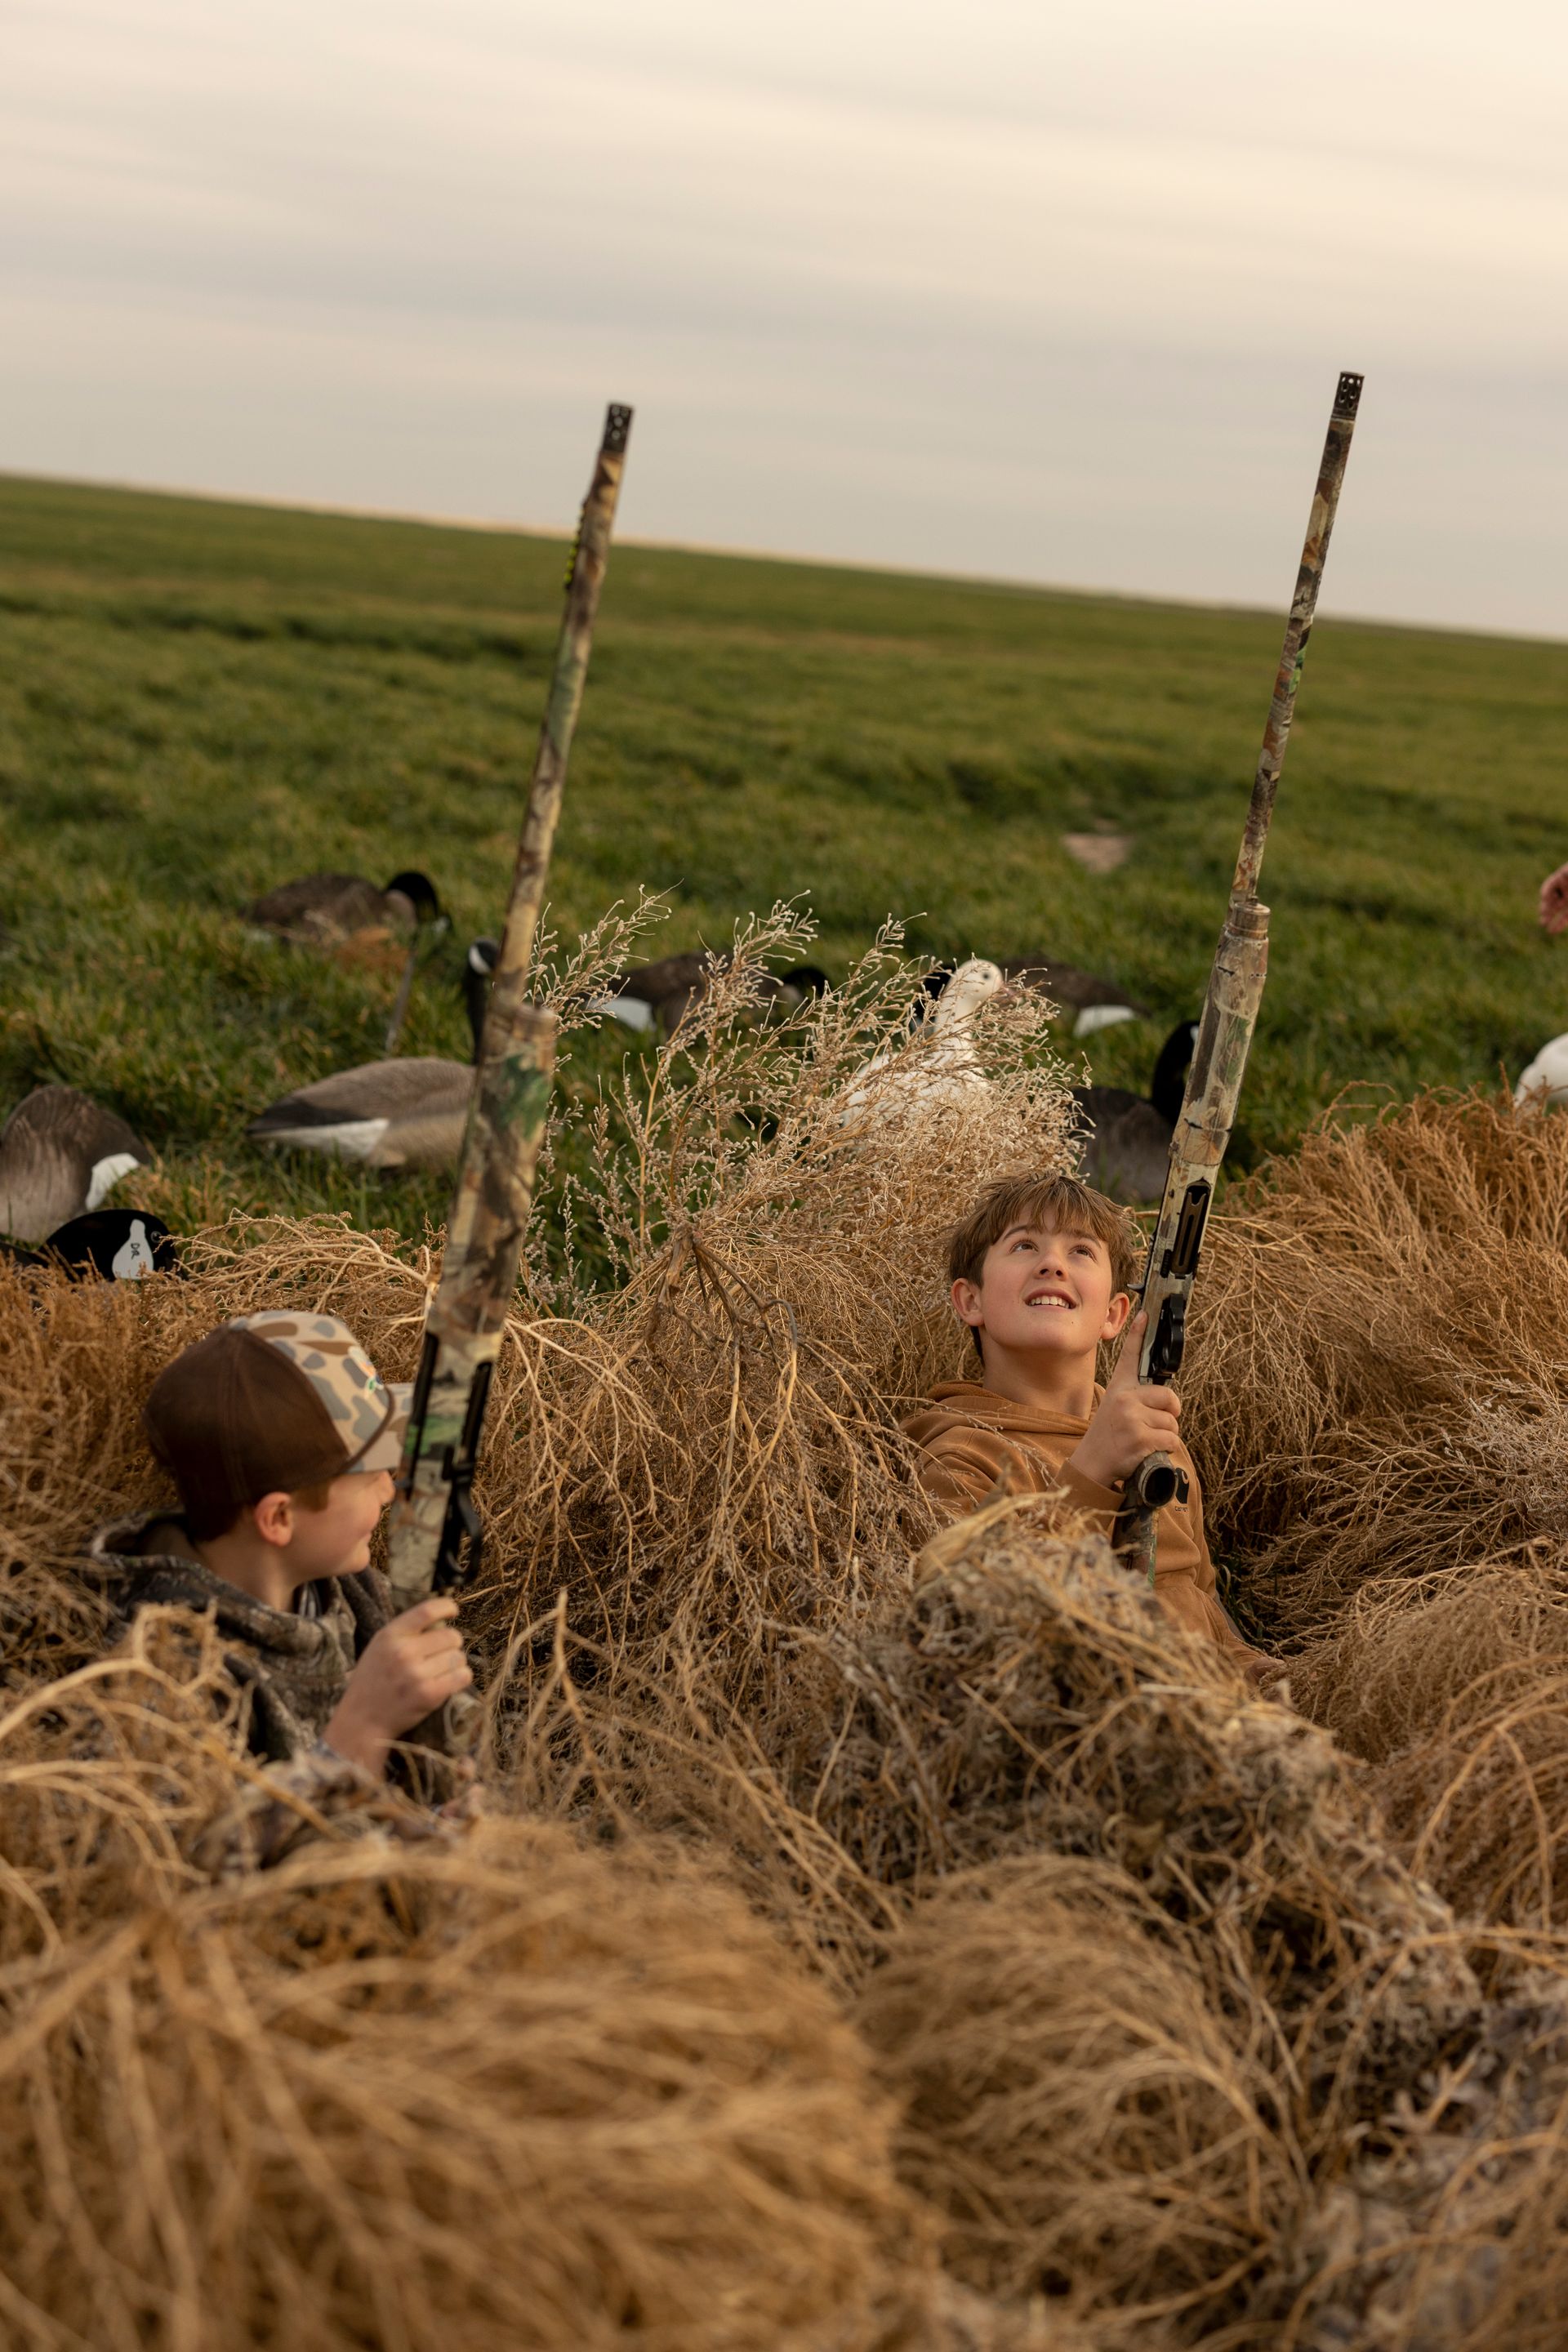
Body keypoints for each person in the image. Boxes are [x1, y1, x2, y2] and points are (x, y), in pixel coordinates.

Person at [901, 1169, 1270, 1682]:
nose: (1052, 1264)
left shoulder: (1160, 1444)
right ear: (971, 1300)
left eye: (1081, 1252)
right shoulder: (962, 1455)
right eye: (1024, 1245)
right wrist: (1093, 1469)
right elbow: (971, 1626)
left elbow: (1201, 1605)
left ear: (1116, 1313)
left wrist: (1272, 1685)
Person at [82, 1311, 473, 1775]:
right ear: (280, 1518)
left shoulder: (349, 1590)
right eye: (373, 1476)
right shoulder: (160, 1673)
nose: (391, 1490)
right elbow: (200, 1843)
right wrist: (362, 1731)